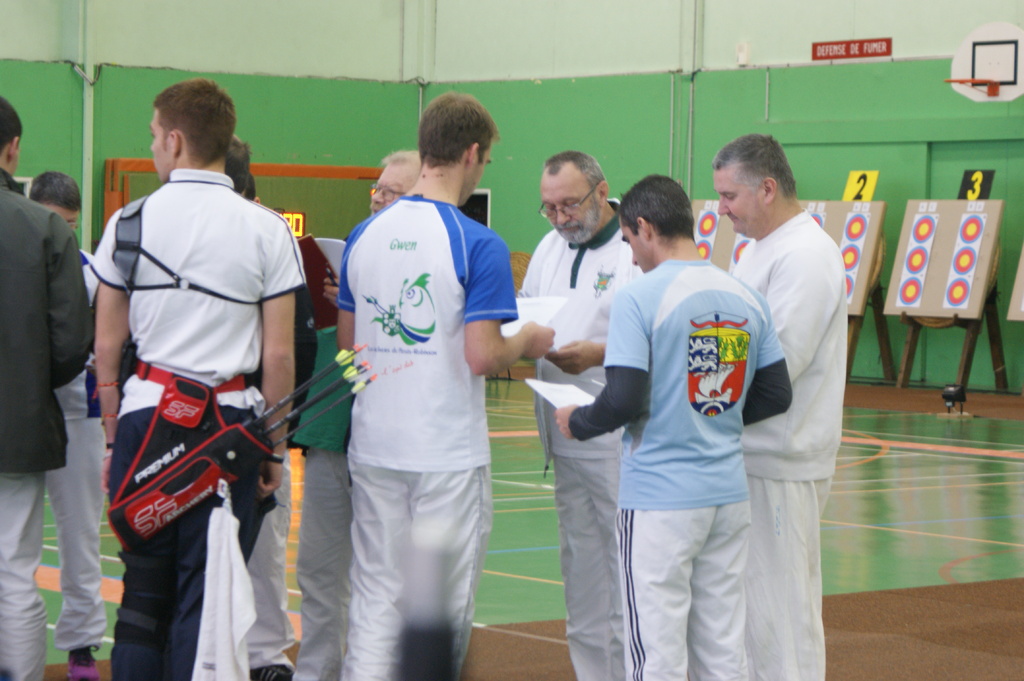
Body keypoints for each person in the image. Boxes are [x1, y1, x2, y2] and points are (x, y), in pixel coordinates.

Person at [91, 78, 304, 681]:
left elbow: (106, 345)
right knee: (205, 602)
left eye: (154, 135)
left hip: (145, 421)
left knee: (141, 598)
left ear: (176, 140)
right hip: (231, 431)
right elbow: (279, 356)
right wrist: (275, 449)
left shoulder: (128, 222)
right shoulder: (268, 229)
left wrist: (112, 440)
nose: (152, 147)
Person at [336, 92, 554, 681]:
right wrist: (527, 339)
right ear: (472, 154)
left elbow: (349, 351)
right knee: (441, 608)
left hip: (375, 447)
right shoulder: (476, 242)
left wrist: (384, 394)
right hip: (445, 457)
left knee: (375, 597)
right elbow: (483, 355)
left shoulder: (364, 235)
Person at [554, 174, 791, 681]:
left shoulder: (639, 298)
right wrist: (708, 415)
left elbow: (621, 399)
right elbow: (776, 394)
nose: (631, 254)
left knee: (655, 651)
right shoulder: (745, 296)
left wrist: (577, 421)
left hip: (659, 500)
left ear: (644, 227)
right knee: (722, 647)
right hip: (727, 496)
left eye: (627, 240)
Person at [712, 134, 847, 681]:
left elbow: (778, 365)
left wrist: (701, 404)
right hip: (750, 455)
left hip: (782, 460)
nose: (722, 209)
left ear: (767, 189)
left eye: (730, 196)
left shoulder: (806, 254)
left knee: (782, 618)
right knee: (752, 617)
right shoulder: (760, 249)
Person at [292, 149, 420, 681]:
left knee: (385, 574)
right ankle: (316, 670)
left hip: (394, 442)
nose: (379, 198)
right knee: (318, 566)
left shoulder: (430, 261)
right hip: (332, 429)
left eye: (393, 192)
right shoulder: (355, 246)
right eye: (377, 189)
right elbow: (341, 345)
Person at [519, 150, 639, 681]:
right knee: (581, 570)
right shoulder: (549, 247)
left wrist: (598, 354)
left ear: (601, 191)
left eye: (569, 204)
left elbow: (657, 336)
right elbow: (526, 311)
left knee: (627, 569)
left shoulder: (633, 249)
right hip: (562, 433)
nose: (560, 217)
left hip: (617, 438)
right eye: (549, 208)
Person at [0, 96, 92, 681]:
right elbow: (71, 344)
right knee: (13, 571)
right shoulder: (45, 229)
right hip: (18, 427)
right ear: (13, 149)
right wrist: (28, 387)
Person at [29, 171, 106, 681]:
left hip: (80, 415)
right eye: (55, 222)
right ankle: (17, 649)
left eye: (72, 226)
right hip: (23, 415)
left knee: (80, 536)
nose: (63, 234)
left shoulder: (94, 273)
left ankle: (81, 646)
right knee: (14, 539)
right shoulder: (15, 266)